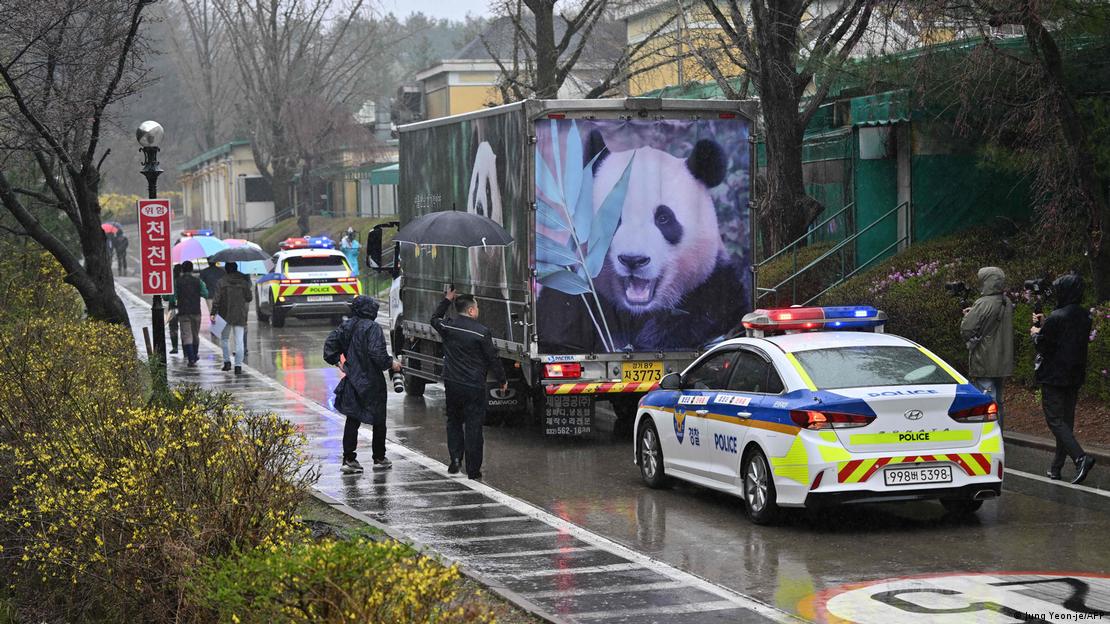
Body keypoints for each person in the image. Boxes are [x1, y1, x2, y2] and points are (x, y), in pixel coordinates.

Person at [431, 286, 507, 480]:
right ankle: (473, 470)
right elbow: (492, 358)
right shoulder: (482, 332)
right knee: (474, 426)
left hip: (452, 383)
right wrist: (502, 380)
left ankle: (455, 458)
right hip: (474, 385)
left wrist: (447, 300)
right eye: (477, 307)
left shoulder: (449, 327)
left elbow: (434, 319)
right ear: (471, 310)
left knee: (454, 420)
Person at [1030, 273, 1096, 484]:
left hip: (1054, 376)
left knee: (1055, 420)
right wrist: (1044, 324)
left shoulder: (1057, 317)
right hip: (1074, 374)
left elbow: (1044, 344)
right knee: (1065, 422)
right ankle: (1056, 467)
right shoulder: (1084, 316)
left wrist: (1035, 332)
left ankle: (1080, 457)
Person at [325, 296, 400, 473]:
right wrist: (392, 364)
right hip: (372, 380)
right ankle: (379, 458)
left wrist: (339, 363)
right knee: (379, 420)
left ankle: (349, 459)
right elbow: (378, 355)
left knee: (353, 419)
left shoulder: (346, 326)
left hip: (352, 379)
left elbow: (329, 346)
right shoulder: (373, 328)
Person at [960, 267, 1014, 426]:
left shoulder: (982, 303)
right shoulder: (1006, 302)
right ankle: (1000, 433)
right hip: (1003, 359)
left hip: (984, 359)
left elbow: (967, 329)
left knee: (988, 400)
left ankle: (991, 435)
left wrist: (967, 317)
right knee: (998, 400)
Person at [212, 261, 252, 375]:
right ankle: (238, 366)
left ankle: (227, 362)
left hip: (224, 314)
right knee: (239, 341)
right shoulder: (244, 282)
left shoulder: (221, 282)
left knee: (224, 339)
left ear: (226, 269)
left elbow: (217, 299)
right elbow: (249, 298)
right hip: (240, 314)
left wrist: (213, 312)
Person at [167, 261, 207, 367]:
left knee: (187, 335)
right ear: (191, 269)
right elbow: (206, 294)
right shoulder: (198, 281)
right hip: (196, 311)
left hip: (183, 312)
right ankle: (195, 354)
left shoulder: (177, 282)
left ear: (182, 270)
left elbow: (171, 297)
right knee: (195, 335)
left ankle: (191, 358)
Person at [167, 264, 182, 354]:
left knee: (173, 327)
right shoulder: (184, 281)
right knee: (185, 327)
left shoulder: (170, 282)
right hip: (184, 306)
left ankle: (175, 347)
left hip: (172, 307)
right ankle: (186, 349)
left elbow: (165, 297)